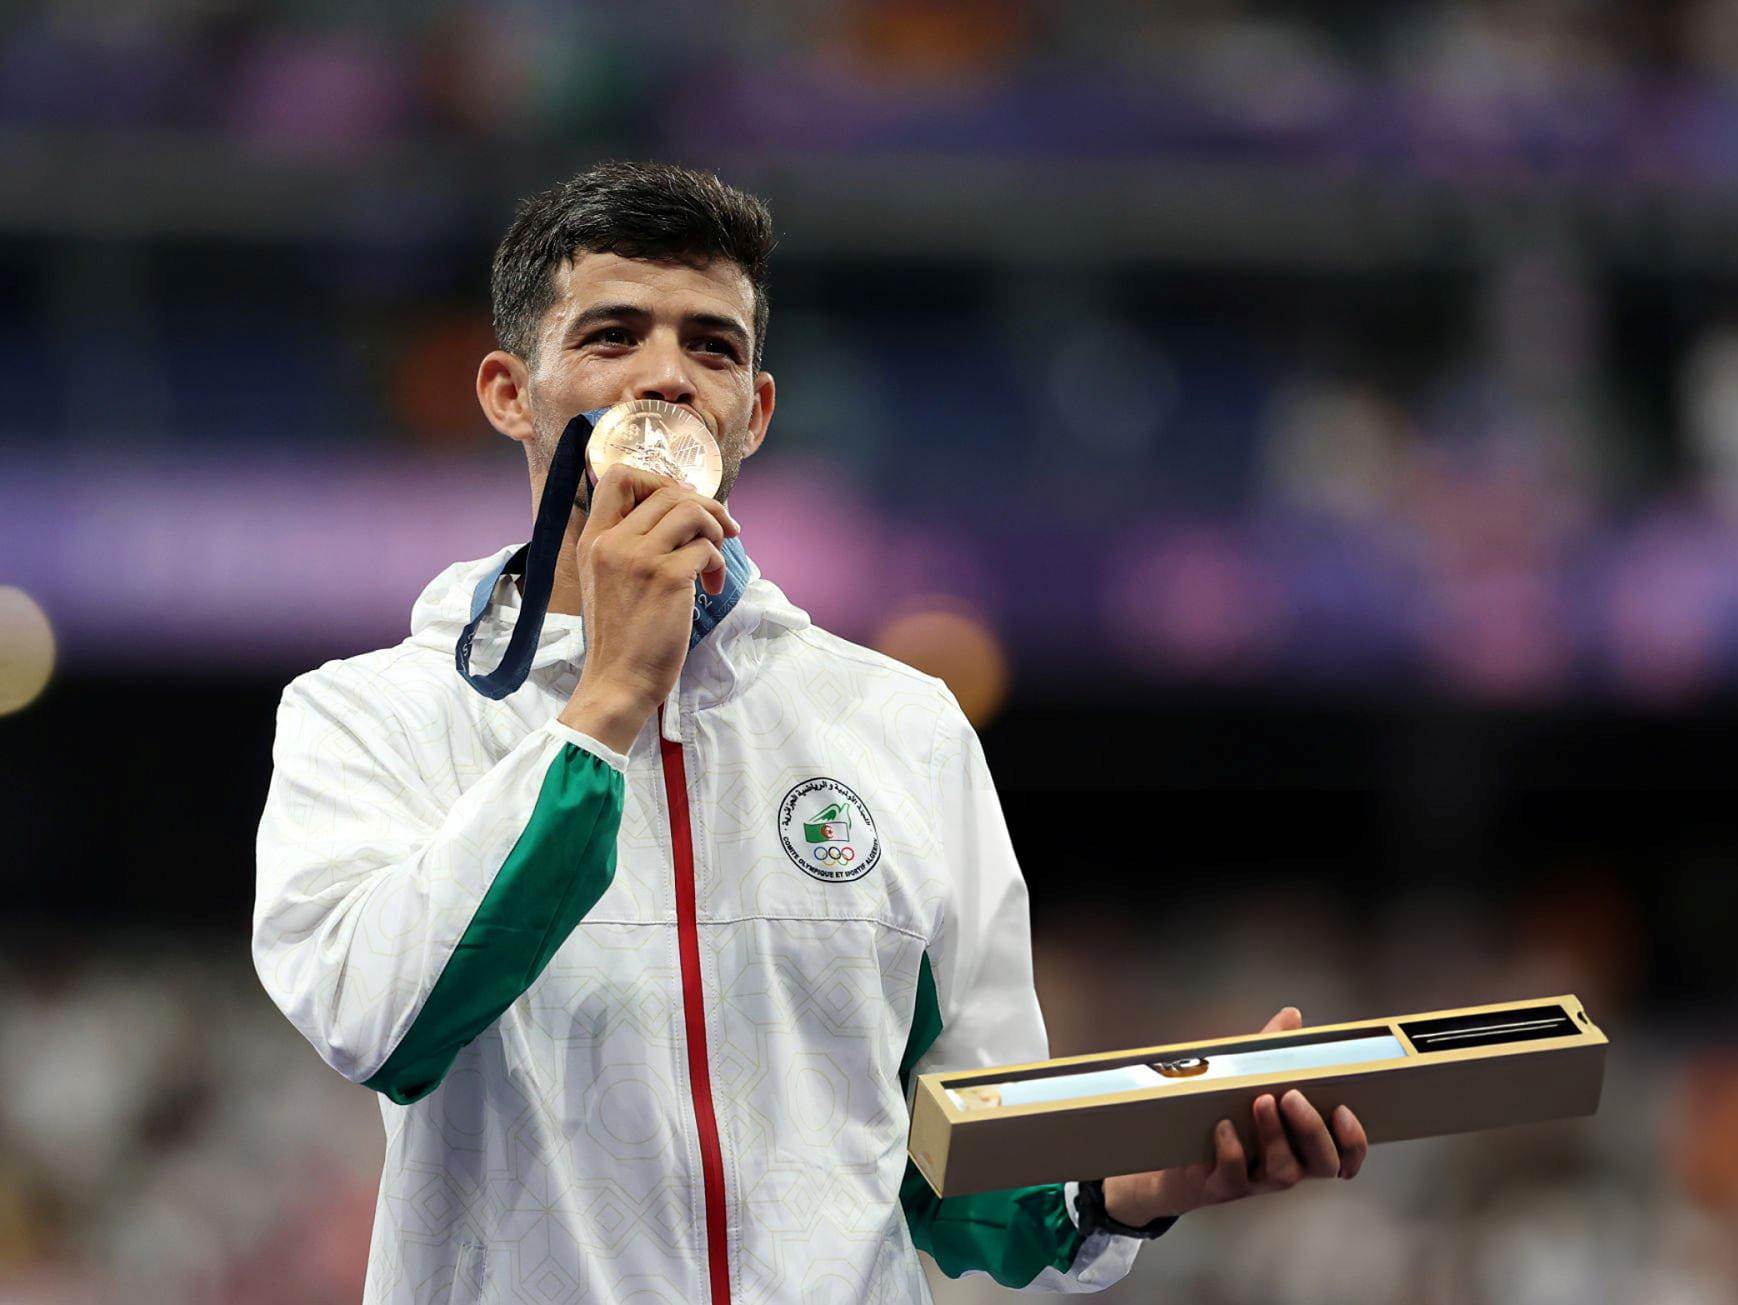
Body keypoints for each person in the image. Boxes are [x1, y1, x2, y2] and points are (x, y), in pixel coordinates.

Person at [252, 160, 1368, 1304]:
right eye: (613, 335)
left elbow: (964, 1160)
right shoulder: (368, 718)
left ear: (755, 412)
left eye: (712, 347)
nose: (666, 376)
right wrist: (605, 705)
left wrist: (1133, 1182)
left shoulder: (901, 727)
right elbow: (380, 1024)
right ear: (507, 393)